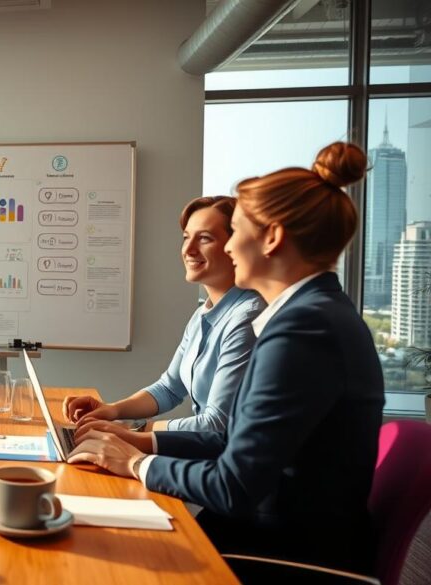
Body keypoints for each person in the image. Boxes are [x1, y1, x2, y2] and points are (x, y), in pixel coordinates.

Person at [68, 142, 384, 575]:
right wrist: (131, 441)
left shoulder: (303, 330)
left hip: (285, 552)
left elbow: (233, 485)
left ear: (271, 238)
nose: (230, 247)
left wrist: (136, 462)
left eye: (234, 231)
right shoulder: (312, 315)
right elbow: (229, 440)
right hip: (267, 530)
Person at [63, 196, 264, 432]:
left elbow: (216, 424)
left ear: (236, 245)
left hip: (216, 460)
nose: (188, 250)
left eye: (205, 239)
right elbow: (170, 388)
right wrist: (111, 411)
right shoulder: (203, 313)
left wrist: (134, 430)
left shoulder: (247, 318)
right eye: (186, 238)